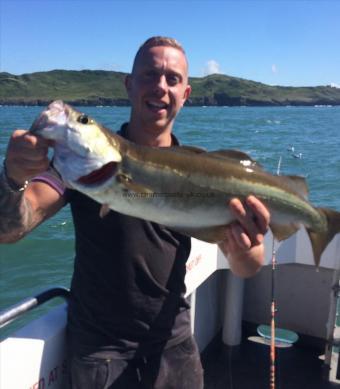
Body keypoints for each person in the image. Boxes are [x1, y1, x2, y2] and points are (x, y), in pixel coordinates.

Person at [0, 36, 270, 388]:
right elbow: (9, 229)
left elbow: (249, 266)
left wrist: (244, 247)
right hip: (101, 352)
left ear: (185, 94)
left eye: (172, 79)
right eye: (149, 75)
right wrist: (12, 178)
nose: (160, 86)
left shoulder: (205, 169)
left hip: (175, 345)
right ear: (129, 85)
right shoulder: (81, 165)